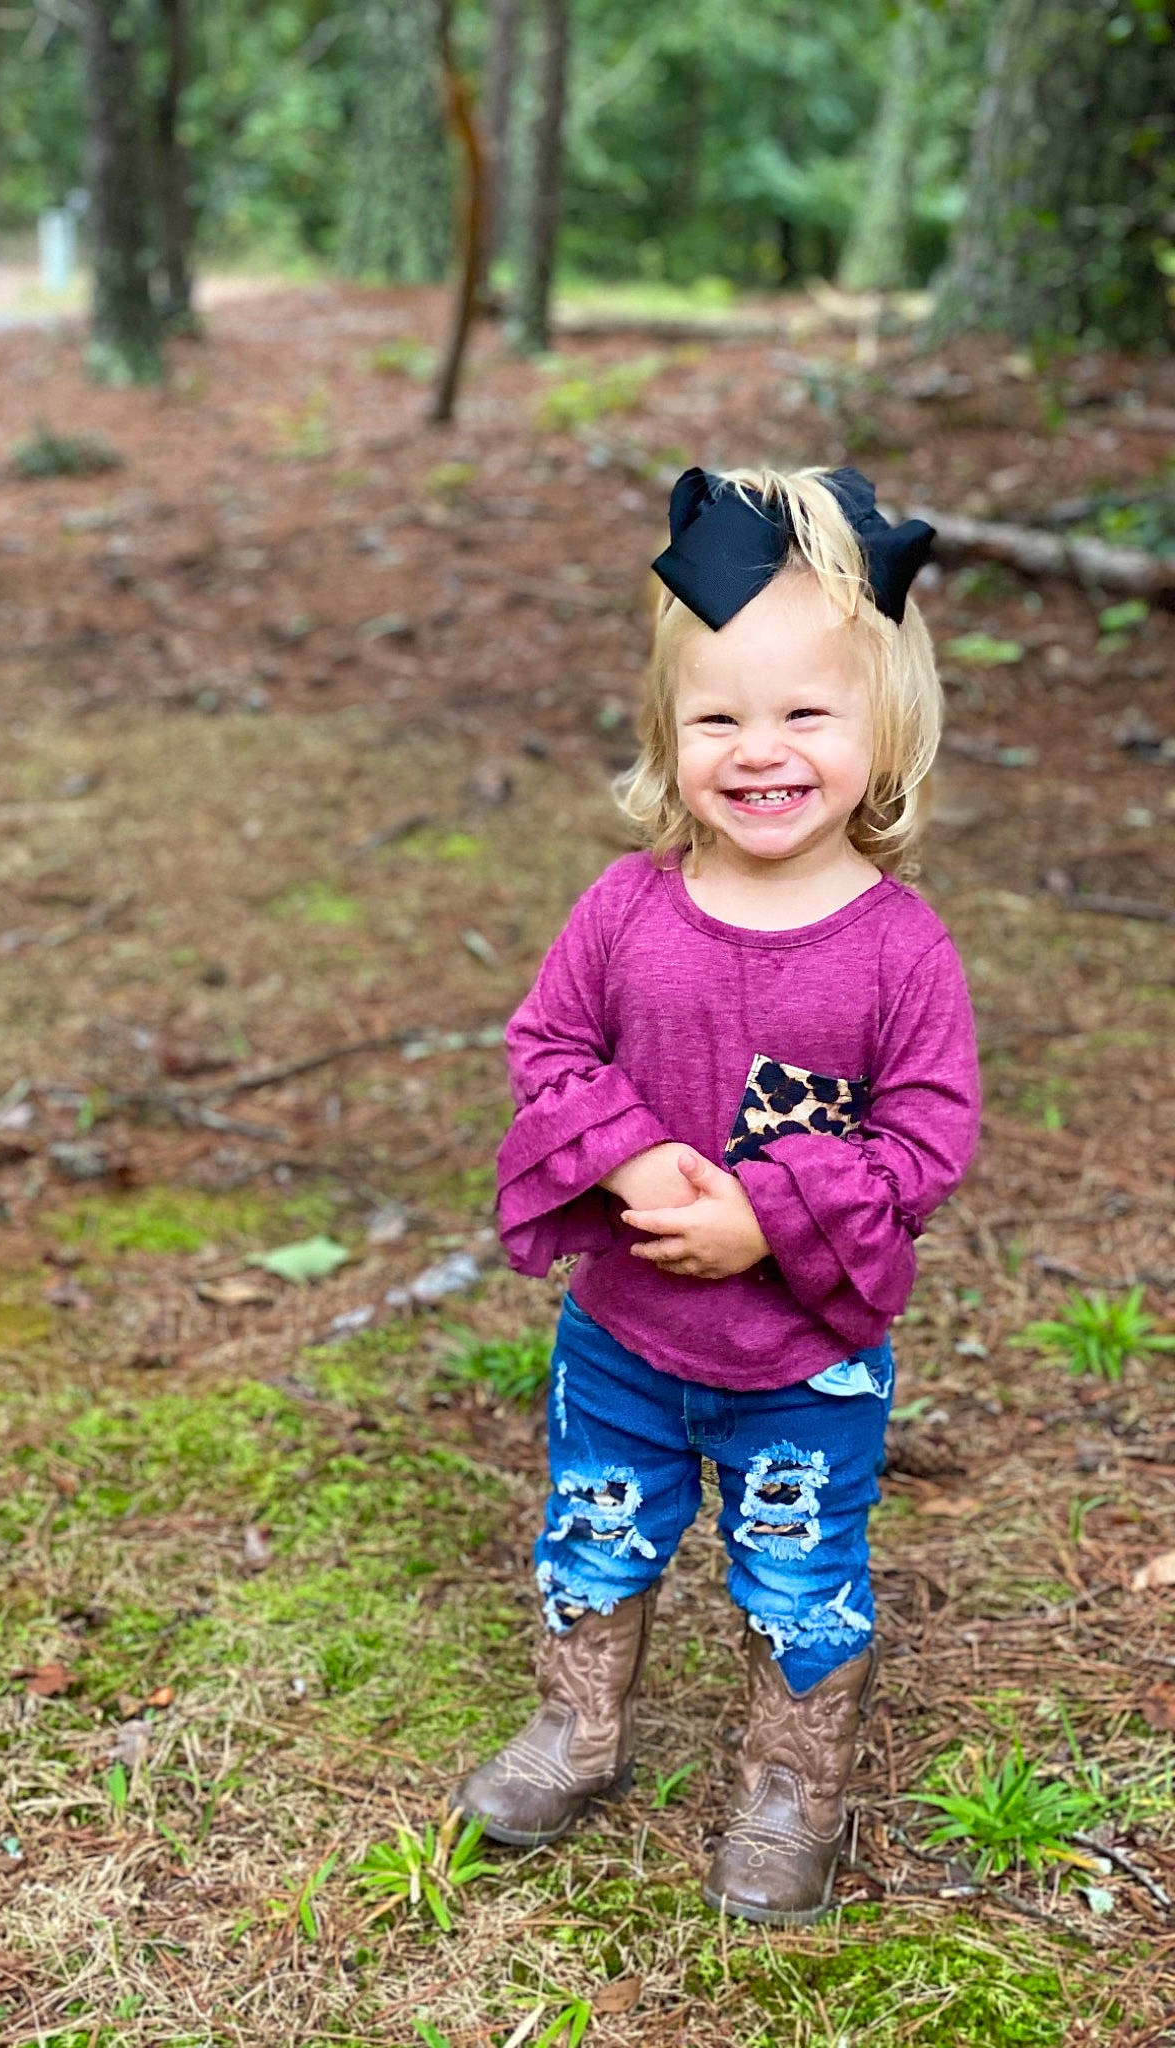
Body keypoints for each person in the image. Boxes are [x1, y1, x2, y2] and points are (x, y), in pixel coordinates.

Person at [456, 465, 981, 1926]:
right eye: (719, 718)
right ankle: (581, 1728)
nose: (762, 751)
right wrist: (623, 1153)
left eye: (807, 714)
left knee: (801, 1578)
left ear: (884, 734)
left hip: (802, 1367)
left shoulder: (898, 952)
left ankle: (790, 1788)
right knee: (594, 1530)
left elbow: (929, 1142)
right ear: (667, 734)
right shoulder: (626, 910)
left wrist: (770, 1216)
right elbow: (547, 1044)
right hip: (621, 1342)